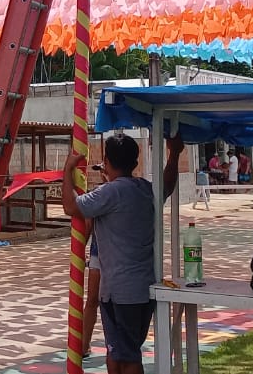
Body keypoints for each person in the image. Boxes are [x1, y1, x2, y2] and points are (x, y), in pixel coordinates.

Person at [63, 133, 184, 374]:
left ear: (106, 162)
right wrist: (174, 154)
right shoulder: (145, 189)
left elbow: (71, 206)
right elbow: (168, 184)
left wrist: (67, 171)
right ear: (135, 163)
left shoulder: (110, 193)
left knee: (127, 356)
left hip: (119, 291)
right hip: (142, 287)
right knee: (120, 352)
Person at [81, 162, 108, 359]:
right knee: (92, 299)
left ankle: (115, 345)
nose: (102, 174)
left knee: (113, 301)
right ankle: (83, 344)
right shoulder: (98, 195)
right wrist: (80, 250)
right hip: (98, 253)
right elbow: (88, 223)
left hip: (120, 256)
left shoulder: (126, 191)